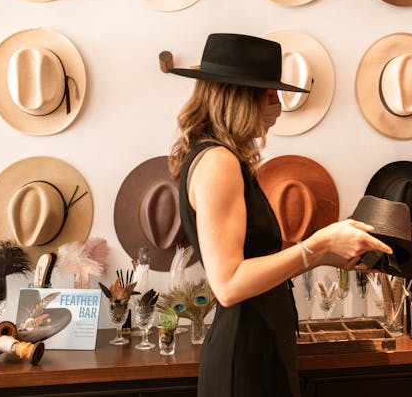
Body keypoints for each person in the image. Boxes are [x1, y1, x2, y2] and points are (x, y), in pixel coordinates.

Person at [167, 33, 392, 397]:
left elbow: (258, 260)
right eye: (271, 95)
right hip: (246, 352)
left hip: (262, 344)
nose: (279, 106)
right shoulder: (218, 162)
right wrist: (315, 246)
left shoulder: (223, 160)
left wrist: (332, 255)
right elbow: (229, 284)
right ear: (240, 97)